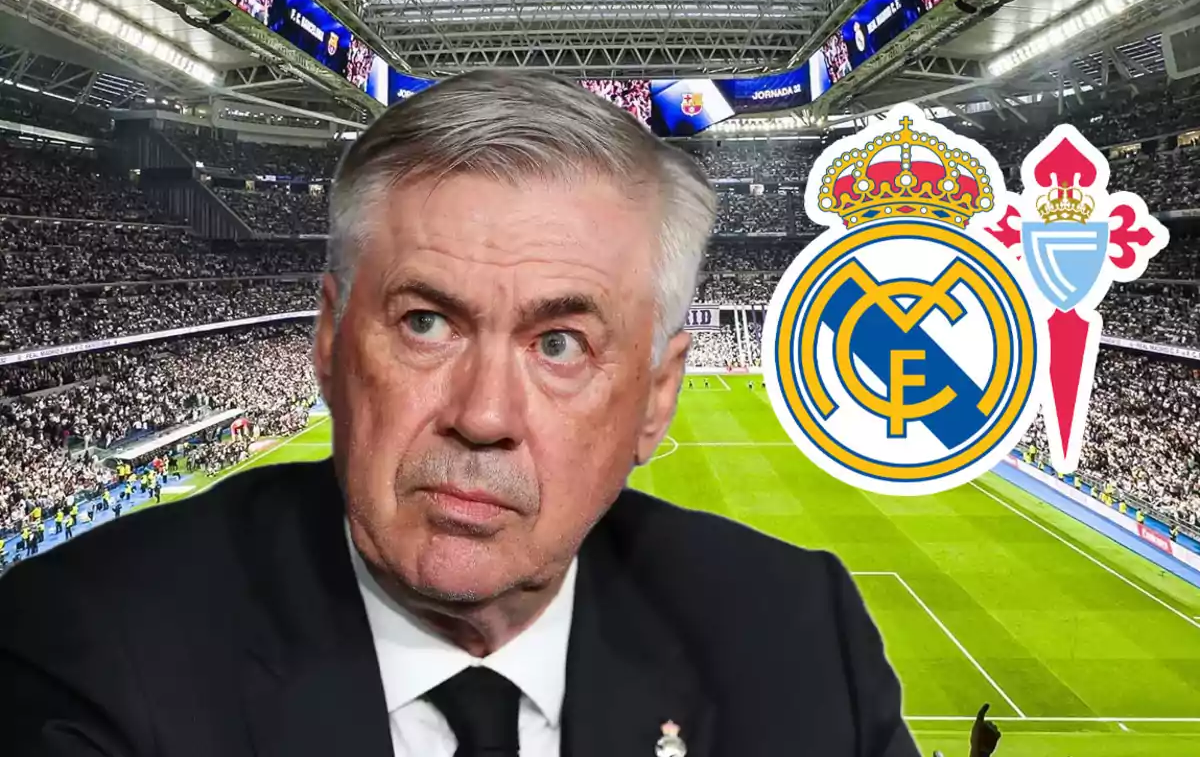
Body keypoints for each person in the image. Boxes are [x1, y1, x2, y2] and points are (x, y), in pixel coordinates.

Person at [0, 71, 919, 757]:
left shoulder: (797, 639)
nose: (483, 417)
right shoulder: (84, 650)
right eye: (426, 322)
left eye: (560, 342)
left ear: (657, 398)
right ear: (328, 343)